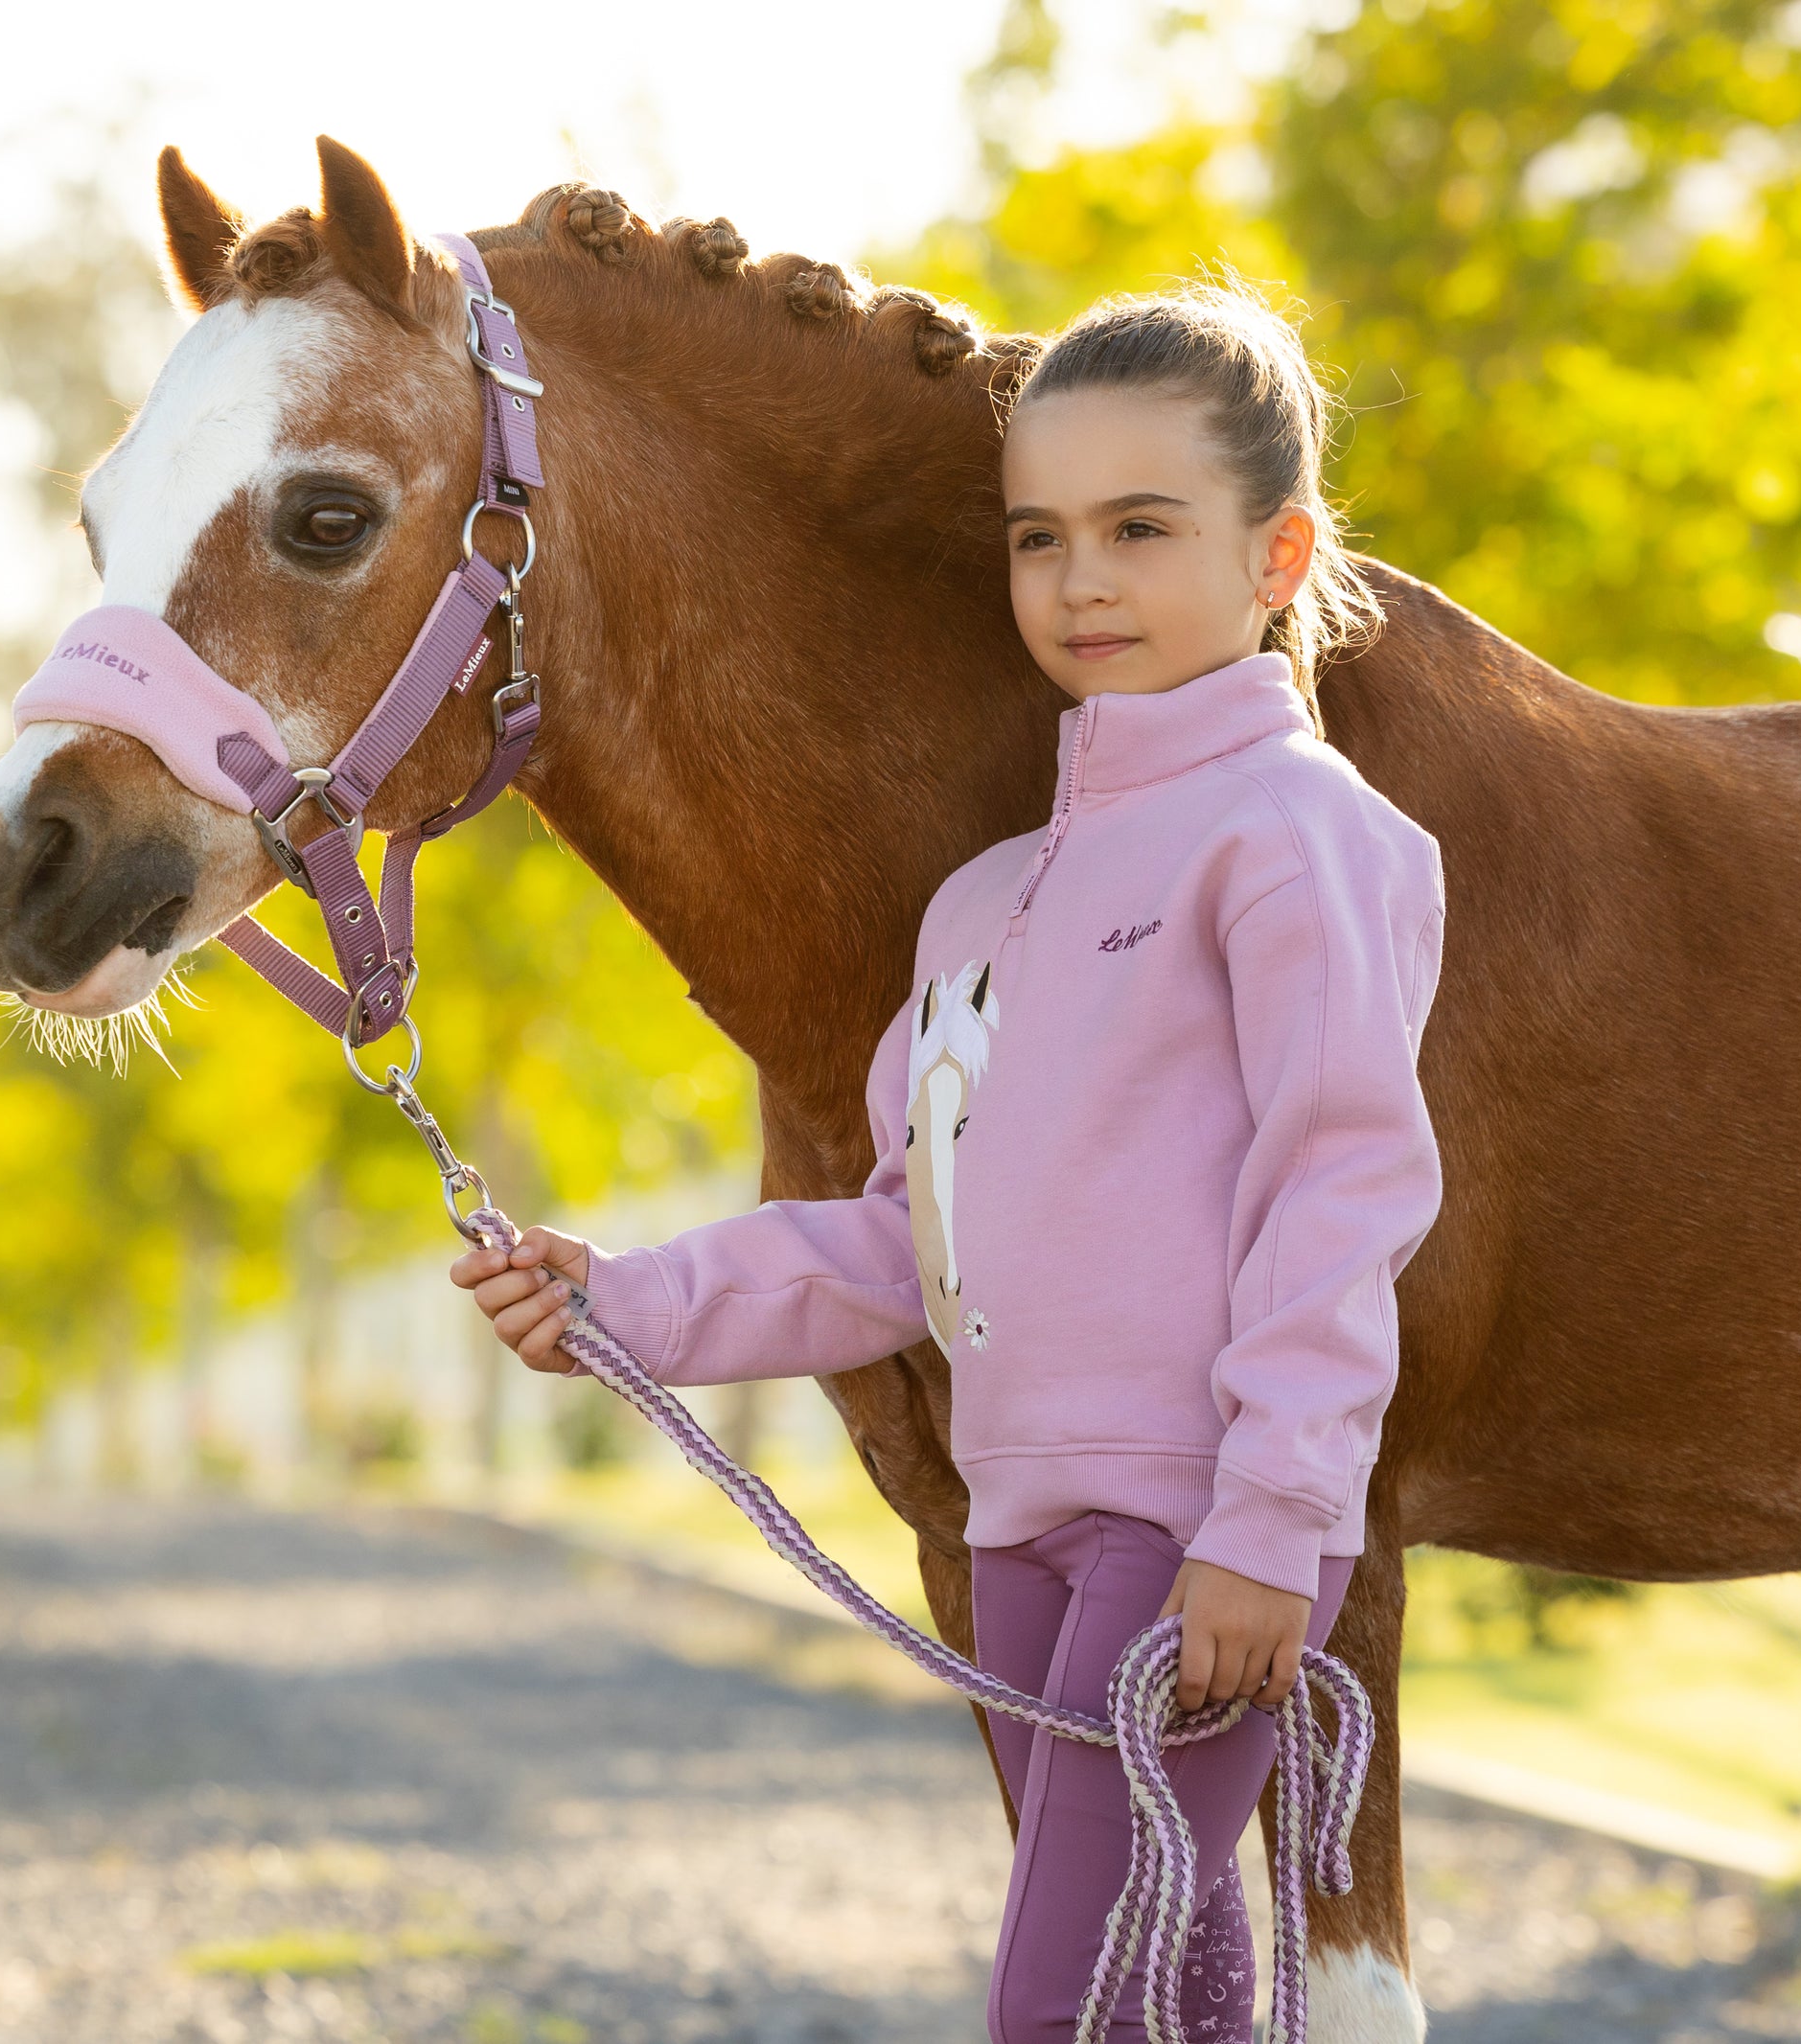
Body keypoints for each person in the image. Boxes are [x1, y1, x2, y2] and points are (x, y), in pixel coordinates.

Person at [451, 284, 1446, 2044]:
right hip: (1018, 1537)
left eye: (1144, 531)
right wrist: (623, 1298)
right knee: (1179, 2002)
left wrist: (1271, 1522)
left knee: (1055, 2009)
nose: (1082, 583)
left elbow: (1342, 1193)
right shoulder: (983, 910)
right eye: (1040, 537)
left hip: (1184, 1530)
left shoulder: (1304, 841)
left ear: (1279, 552)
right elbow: (903, 1243)